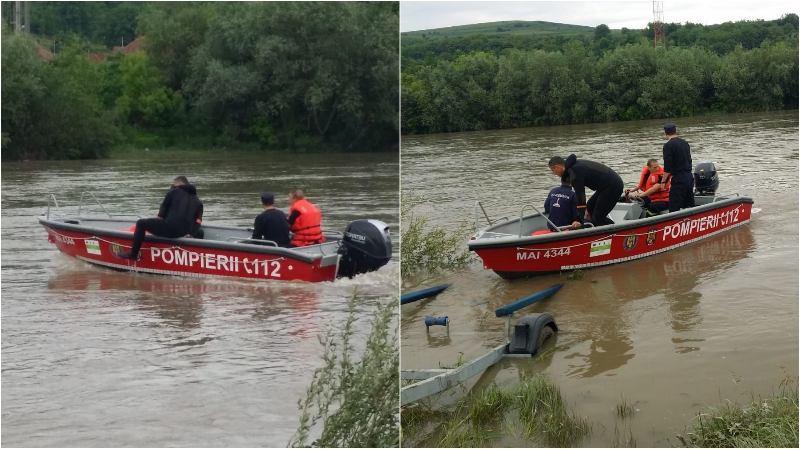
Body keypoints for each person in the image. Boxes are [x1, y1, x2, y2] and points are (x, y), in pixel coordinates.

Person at [118, 176, 203, 260]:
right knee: (200, 232)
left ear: (178, 185)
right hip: (185, 232)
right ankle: (197, 254)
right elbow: (198, 223)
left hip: (171, 230)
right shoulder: (198, 202)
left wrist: (152, 228)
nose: (171, 187)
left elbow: (161, 216)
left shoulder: (172, 192)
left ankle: (133, 254)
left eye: (172, 185)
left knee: (141, 223)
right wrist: (190, 234)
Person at [548, 154, 623, 226]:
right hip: (604, 186)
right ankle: (597, 228)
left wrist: (578, 219)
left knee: (598, 217)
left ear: (557, 167)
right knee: (589, 208)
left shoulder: (574, 172)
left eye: (553, 170)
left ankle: (615, 231)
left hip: (613, 186)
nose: (554, 174)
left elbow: (581, 197)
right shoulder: (572, 166)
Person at [661, 123, 695, 212]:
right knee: (690, 204)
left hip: (679, 180)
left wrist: (663, 181)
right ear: (675, 131)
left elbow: (668, 168)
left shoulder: (668, 146)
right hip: (689, 177)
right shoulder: (685, 143)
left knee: (674, 207)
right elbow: (689, 160)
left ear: (665, 133)